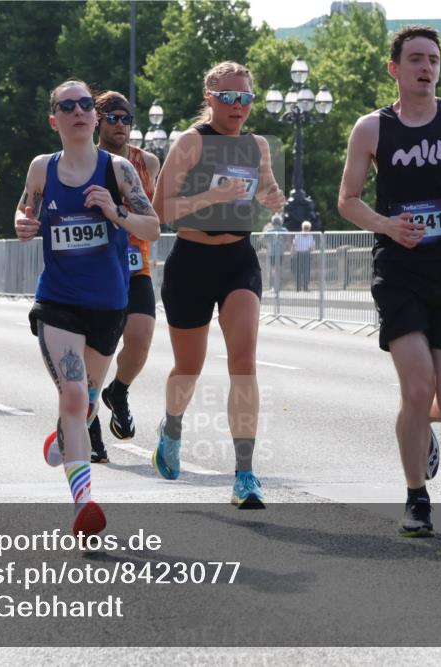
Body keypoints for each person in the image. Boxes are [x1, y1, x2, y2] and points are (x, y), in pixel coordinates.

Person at [337, 26, 441, 536]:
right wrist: (387, 225)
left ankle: (421, 427)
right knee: (417, 385)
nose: (426, 67)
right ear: (394, 68)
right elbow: (347, 200)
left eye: (432, 59)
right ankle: (417, 498)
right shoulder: (372, 129)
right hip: (400, 272)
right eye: (415, 59)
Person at [14, 80, 160, 537]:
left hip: (109, 304)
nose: (78, 111)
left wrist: (115, 213)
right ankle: (84, 506)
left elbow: (152, 227)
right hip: (58, 300)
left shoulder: (118, 170)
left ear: (94, 119)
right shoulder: (42, 168)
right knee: (74, 396)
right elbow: (24, 212)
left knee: (88, 403)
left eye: (84, 105)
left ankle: (66, 435)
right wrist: (23, 223)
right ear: (54, 118)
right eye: (67, 105)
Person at [152, 61, 285, 509]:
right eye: (227, 97)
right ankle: (172, 426)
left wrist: (272, 197)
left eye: (245, 98)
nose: (237, 106)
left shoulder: (258, 145)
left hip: (238, 260)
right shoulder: (191, 143)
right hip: (191, 261)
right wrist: (214, 195)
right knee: (187, 367)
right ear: (209, 98)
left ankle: (245, 474)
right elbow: (161, 210)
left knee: (244, 359)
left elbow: (266, 191)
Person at [88, 91, 162, 463]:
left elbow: (156, 214)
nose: (121, 125)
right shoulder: (85, 159)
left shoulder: (146, 160)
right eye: (113, 118)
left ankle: (118, 391)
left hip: (136, 263)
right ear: (98, 120)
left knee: (141, 340)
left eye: (127, 119)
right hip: (94, 265)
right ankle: (90, 429)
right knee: (96, 350)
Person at [262, 213, 288, 292]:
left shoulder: (269, 231)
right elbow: (287, 239)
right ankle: (278, 286)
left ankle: (275, 286)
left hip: (272, 253)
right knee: (279, 270)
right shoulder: (284, 230)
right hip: (280, 253)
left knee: (274, 270)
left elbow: (262, 238)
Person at [291, 220, 315, 291]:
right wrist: (292, 253)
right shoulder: (298, 235)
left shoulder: (310, 236)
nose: (306, 229)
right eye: (305, 228)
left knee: (306, 272)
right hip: (299, 254)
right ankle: (298, 287)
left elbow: (312, 247)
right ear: (302, 228)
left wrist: (312, 251)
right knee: (298, 271)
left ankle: (305, 287)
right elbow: (293, 245)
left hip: (306, 254)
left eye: (307, 228)